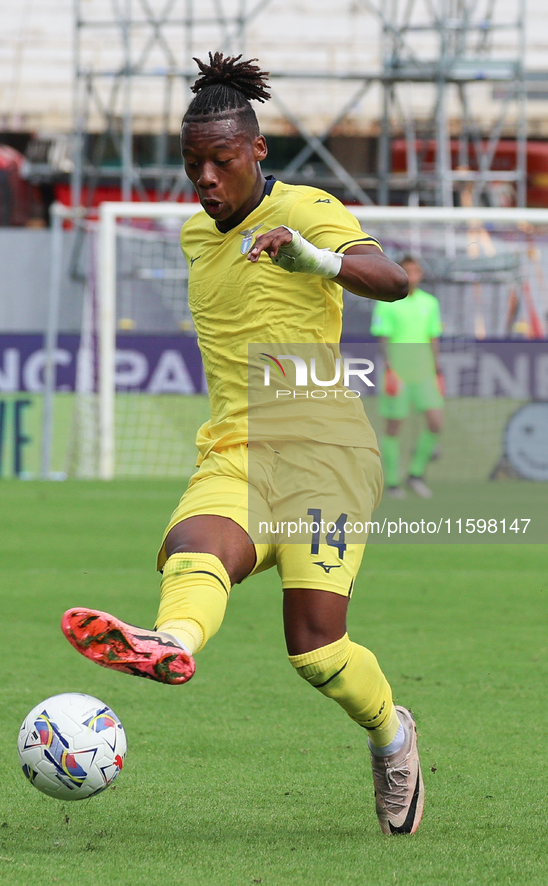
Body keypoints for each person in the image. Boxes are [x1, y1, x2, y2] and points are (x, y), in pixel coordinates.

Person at [61, 53, 424, 836]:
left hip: (326, 453)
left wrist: (313, 259)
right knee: (192, 547)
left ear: (256, 151)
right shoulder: (197, 236)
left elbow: (391, 280)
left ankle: (393, 738)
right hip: (234, 450)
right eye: (193, 164)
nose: (205, 179)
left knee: (317, 652)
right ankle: (168, 641)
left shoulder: (307, 207)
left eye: (220, 161)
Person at [370, 255, 444, 499]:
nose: (412, 274)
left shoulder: (430, 303)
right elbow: (383, 338)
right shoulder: (387, 303)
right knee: (394, 427)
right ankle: (391, 482)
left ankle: (415, 474)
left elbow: (433, 337)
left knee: (435, 422)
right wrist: (390, 370)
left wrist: (437, 370)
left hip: (424, 372)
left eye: (416, 270)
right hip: (398, 374)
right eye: (407, 270)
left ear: (420, 274)